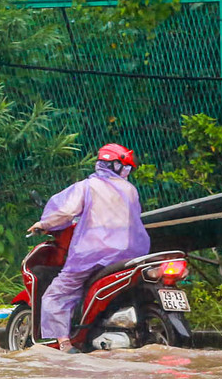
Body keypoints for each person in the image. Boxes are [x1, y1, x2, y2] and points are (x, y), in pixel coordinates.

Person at [28, 143, 151, 350]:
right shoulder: (131, 190)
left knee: (57, 294)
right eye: (125, 167)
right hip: (131, 253)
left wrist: (43, 224)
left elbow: (65, 212)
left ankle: (64, 343)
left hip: (94, 254)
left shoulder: (87, 186)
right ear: (115, 166)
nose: (127, 171)